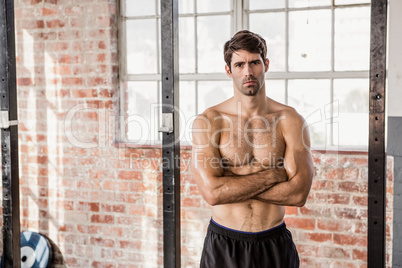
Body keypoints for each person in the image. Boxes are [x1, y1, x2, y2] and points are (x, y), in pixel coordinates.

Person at [191, 30, 314, 268]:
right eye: (239, 64)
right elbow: (212, 194)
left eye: (254, 62)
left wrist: (232, 183)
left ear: (265, 64)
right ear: (229, 70)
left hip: (274, 242)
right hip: (224, 243)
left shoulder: (290, 120)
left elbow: (298, 194)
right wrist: (273, 175)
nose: (248, 72)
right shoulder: (209, 121)